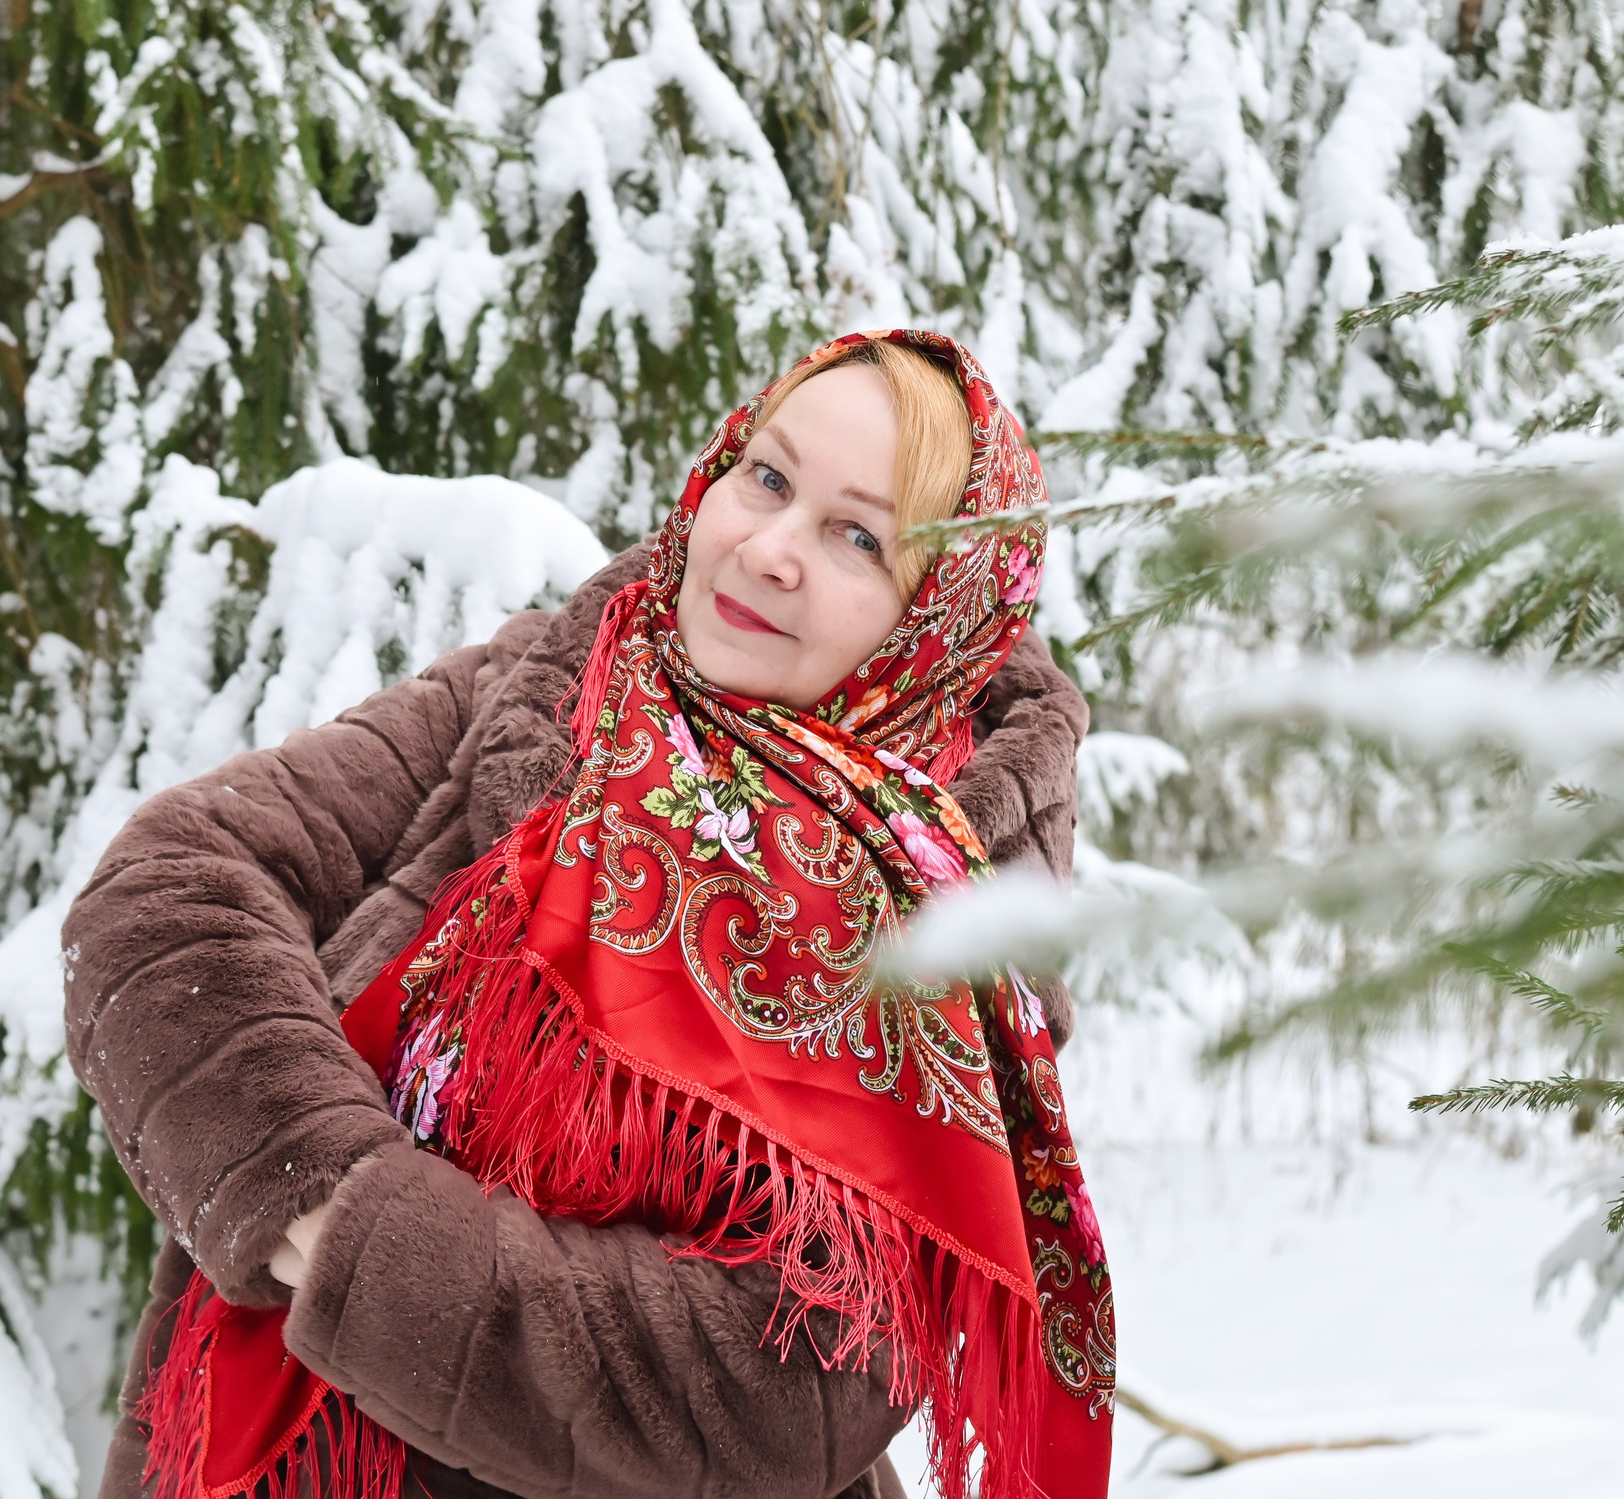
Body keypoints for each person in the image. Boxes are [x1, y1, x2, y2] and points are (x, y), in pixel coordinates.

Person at [62, 330, 1114, 1499]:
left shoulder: (953, 916)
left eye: (856, 535)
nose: (770, 549)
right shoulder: (556, 682)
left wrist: (372, 1255)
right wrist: (309, 1180)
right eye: (766, 477)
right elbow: (168, 887)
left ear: (941, 617)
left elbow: (791, 1385)